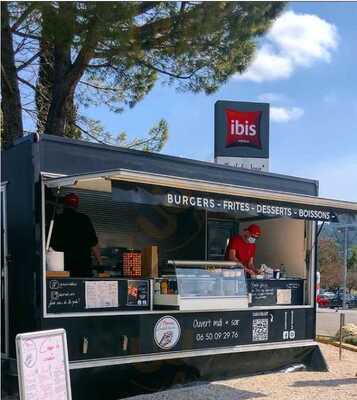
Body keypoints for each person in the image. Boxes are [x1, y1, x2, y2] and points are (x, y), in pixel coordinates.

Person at [51, 193, 102, 277]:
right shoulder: (84, 220)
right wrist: (100, 263)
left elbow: (50, 245)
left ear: (64, 205)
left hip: (62, 268)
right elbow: (94, 244)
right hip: (83, 267)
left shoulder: (57, 220)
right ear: (77, 206)